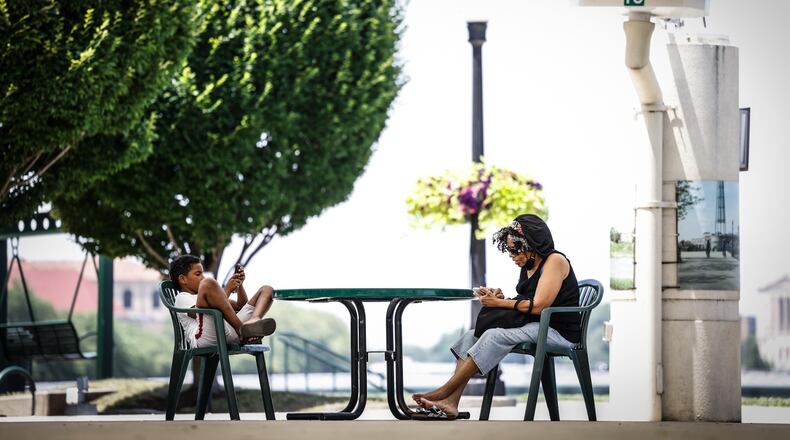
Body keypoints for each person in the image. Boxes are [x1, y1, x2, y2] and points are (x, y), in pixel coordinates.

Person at [411, 214, 581, 420]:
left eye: (515, 249)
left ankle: (443, 391)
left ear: (532, 243)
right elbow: (526, 300)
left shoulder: (555, 261)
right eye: (509, 250)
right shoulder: (529, 266)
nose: (512, 255)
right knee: (471, 336)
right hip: (536, 325)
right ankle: (450, 402)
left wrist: (499, 303)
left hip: (557, 332)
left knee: (494, 335)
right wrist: (501, 298)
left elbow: (539, 306)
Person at [169, 255, 276, 347]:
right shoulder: (181, 298)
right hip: (205, 337)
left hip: (228, 330)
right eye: (198, 274)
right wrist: (227, 290)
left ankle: (254, 321)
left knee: (267, 290)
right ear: (183, 279)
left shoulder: (207, 294)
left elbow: (240, 305)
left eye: (203, 273)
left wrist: (239, 286)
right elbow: (199, 314)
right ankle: (242, 330)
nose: (203, 277)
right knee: (208, 283)